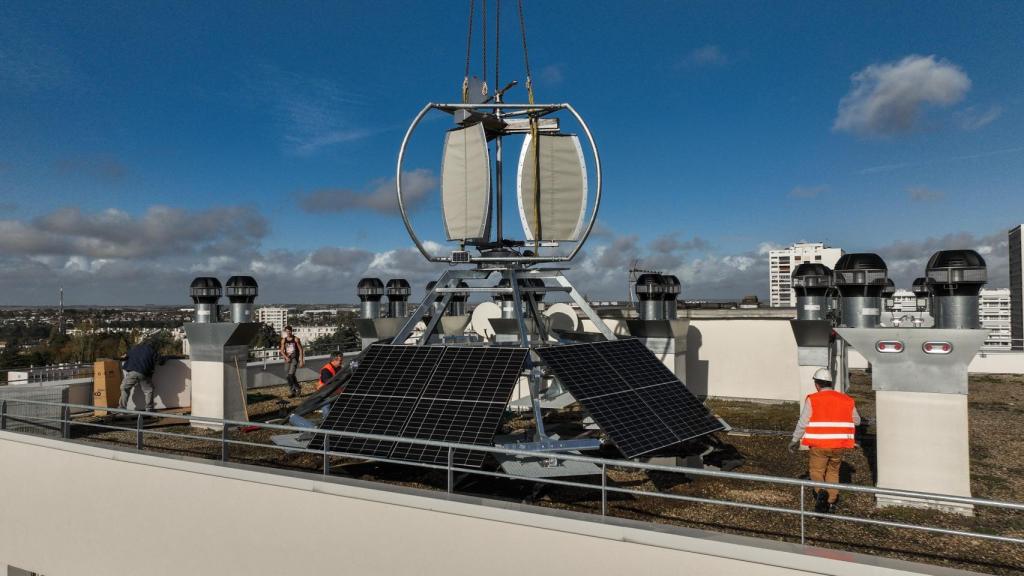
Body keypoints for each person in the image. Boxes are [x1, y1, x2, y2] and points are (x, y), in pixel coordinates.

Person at [789, 367, 861, 514]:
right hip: (839, 445)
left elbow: (803, 422)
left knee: (816, 471)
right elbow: (857, 421)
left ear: (817, 384)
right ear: (831, 383)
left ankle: (821, 492)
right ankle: (831, 502)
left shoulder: (813, 399)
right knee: (833, 472)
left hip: (819, 445)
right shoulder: (846, 400)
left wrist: (794, 440)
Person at [118, 340, 165, 413]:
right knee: (149, 390)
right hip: (144, 373)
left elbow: (125, 356)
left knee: (124, 388)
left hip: (132, 372)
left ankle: (121, 409)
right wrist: (168, 357)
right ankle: (149, 409)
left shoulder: (134, 348)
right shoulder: (152, 351)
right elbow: (161, 362)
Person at [317, 353, 345, 419]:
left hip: (333, 391)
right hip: (324, 392)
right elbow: (328, 382)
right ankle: (326, 421)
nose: (341, 362)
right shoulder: (326, 370)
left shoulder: (339, 367)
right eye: (340, 360)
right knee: (326, 405)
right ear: (334, 360)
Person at [279, 326, 304, 397]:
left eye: (289, 331)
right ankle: (292, 391)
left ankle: (297, 388)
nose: (288, 332)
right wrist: (286, 357)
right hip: (287, 359)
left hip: (294, 359)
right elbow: (281, 350)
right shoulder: (284, 340)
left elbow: (301, 350)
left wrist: (301, 360)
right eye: (287, 331)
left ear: (291, 331)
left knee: (290, 374)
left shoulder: (296, 339)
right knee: (288, 376)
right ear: (285, 332)